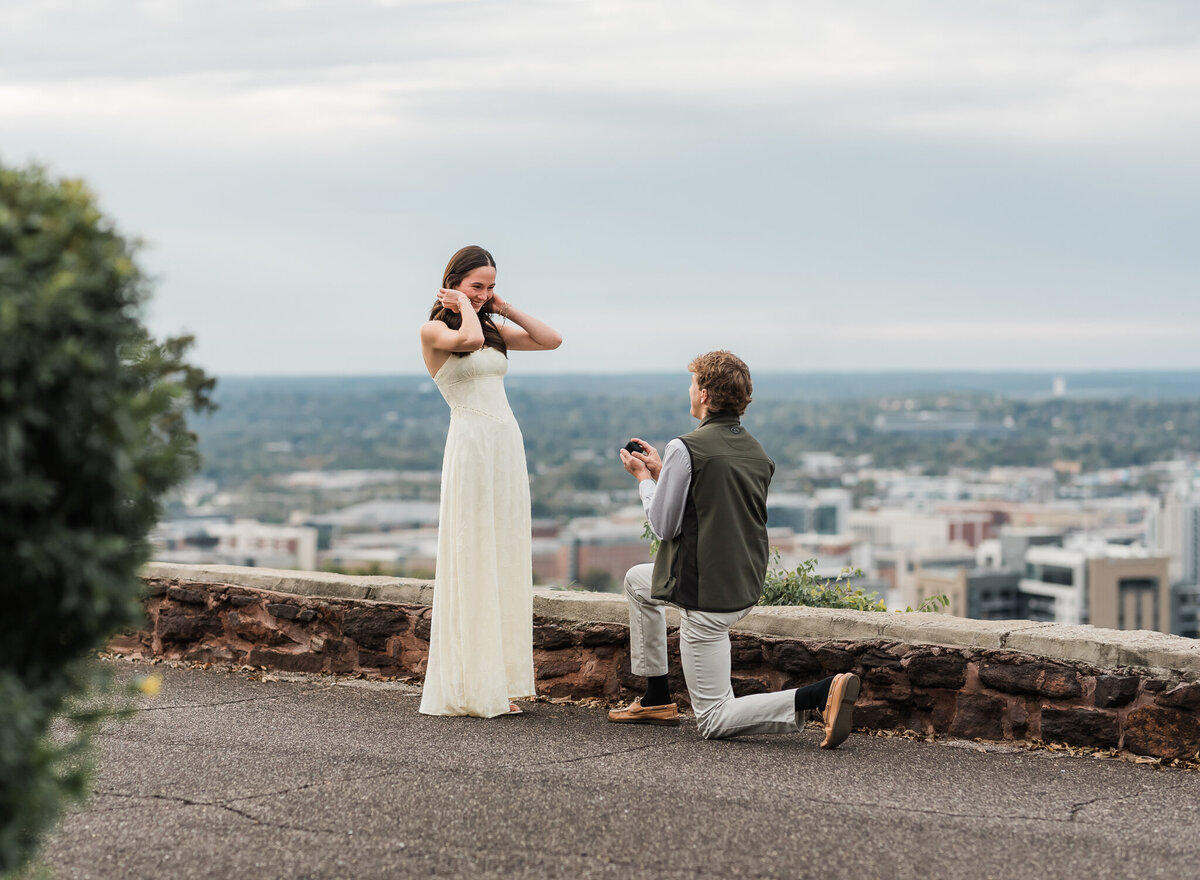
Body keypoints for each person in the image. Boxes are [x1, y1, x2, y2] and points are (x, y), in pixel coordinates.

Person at [609, 350, 860, 747]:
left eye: (692, 384)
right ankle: (656, 698)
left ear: (704, 394)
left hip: (705, 593)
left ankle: (818, 695)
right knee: (639, 583)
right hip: (743, 583)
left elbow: (664, 526)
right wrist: (664, 474)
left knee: (713, 718)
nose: (689, 391)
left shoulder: (685, 447)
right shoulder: (758, 452)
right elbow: (714, 499)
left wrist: (644, 480)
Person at [418, 245, 562, 718]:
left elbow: (551, 340)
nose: (484, 293)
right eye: (476, 285)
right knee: (472, 550)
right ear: (453, 284)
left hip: (505, 446)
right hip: (471, 446)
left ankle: (497, 683)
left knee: (503, 552)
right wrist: (464, 307)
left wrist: (503, 306)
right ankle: (470, 686)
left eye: (490, 286)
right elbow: (469, 341)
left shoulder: (493, 329)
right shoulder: (435, 330)